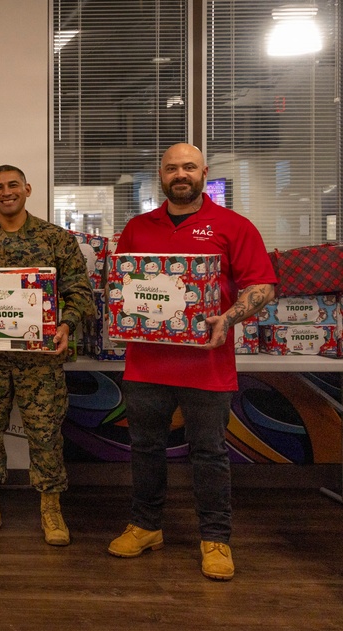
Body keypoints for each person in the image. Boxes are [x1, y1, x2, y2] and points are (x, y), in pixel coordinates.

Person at [107, 143, 276, 580]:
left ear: (203, 172)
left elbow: (262, 287)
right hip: (145, 364)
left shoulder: (232, 226)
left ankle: (215, 539)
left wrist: (229, 315)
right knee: (145, 449)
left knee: (209, 453)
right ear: (161, 176)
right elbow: (121, 283)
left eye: (188, 167)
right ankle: (146, 526)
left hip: (207, 366)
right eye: (170, 168)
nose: (179, 174)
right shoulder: (138, 227)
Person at [0, 165, 94, 545]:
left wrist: (67, 324)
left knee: (46, 436)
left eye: (13, 185)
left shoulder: (55, 240)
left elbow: (79, 292)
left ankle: (51, 509)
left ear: (27, 189)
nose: (6, 192)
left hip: (40, 363)